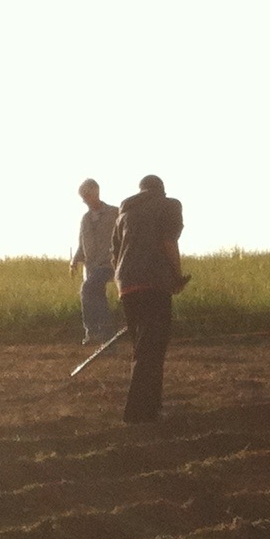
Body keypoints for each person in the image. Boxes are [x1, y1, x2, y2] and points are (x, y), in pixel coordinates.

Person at [110, 173, 185, 425]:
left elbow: (114, 254)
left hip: (126, 286)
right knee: (152, 349)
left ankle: (152, 409)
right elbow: (168, 242)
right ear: (161, 190)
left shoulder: (123, 213)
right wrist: (177, 276)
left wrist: (122, 284)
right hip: (154, 283)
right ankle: (137, 413)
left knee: (142, 347)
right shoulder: (169, 205)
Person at [71, 177, 121, 344]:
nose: (84, 200)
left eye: (86, 195)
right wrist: (74, 261)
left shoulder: (115, 213)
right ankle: (107, 338)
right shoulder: (85, 219)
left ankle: (92, 331)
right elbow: (82, 243)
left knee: (87, 289)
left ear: (96, 193)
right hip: (91, 266)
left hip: (108, 264)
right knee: (98, 298)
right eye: (82, 196)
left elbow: (124, 236)